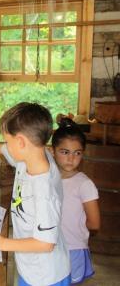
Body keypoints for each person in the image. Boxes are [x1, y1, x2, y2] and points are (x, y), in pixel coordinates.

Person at [0, 102, 71, 286]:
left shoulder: (44, 190)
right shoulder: (29, 158)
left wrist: (1, 243)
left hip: (47, 277)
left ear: (21, 142)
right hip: (30, 268)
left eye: (8, 141)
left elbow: (45, 244)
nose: (6, 146)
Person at [52, 117, 100, 284]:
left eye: (77, 153)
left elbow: (94, 224)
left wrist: (74, 228)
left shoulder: (84, 184)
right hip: (49, 245)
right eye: (65, 152)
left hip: (73, 248)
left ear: (82, 154)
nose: (71, 159)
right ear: (53, 151)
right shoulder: (48, 179)